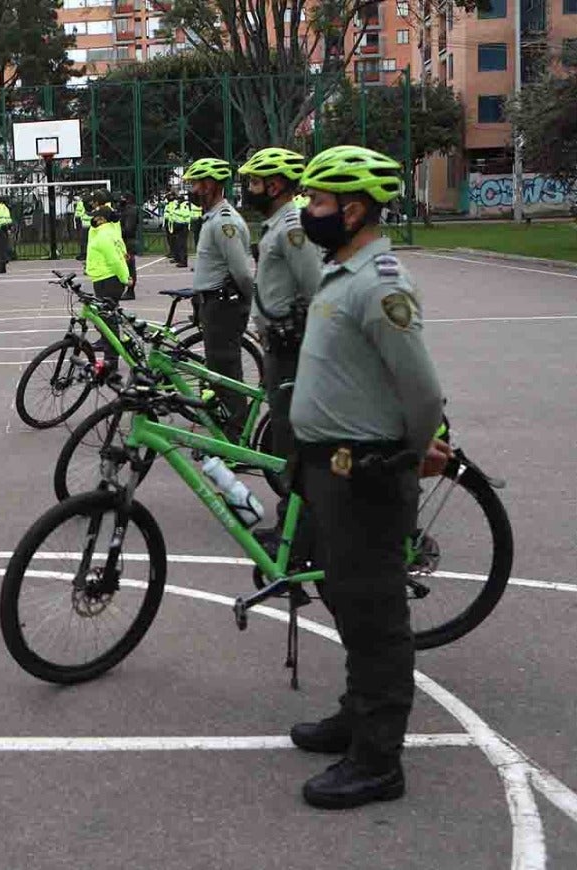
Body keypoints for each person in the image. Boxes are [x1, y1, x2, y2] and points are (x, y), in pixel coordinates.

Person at [288, 145, 446, 810]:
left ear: (353, 209)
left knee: (376, 613)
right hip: (330, 468)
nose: (309, 213)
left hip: (366, 474)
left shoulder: (380, 284)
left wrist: (409, 455)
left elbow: (423, 391)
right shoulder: (343, 272)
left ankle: (379, 760)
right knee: (345, 596)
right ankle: (357, 713)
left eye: (319, 203)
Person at [237, 147, 323, 533]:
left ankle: (299, 525)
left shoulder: (292, 229)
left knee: (291, 436)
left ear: (274, 186)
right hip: (277, 344)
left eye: (255, 182)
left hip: (291, 348)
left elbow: (316, 286)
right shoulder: (277, 225)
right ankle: (297, 516)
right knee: (285, 432)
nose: (249, 189)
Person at [184, 157, 253, 440]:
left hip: (224, 304)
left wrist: (247, 303)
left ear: (211, 185)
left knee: (225, 371)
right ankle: (224, 427)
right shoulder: (212, 219)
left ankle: (236, 435)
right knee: (216, 369)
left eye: (196, 184)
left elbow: (241, 272)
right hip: (212, 302)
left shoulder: (225, 223)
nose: (192, 190)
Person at [85, 204, 130, 368]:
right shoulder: (110, 231)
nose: (93, 219)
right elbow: (123, 253)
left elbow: (114, 259)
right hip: (104, 278)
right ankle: (111, 352)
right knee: (107, 318)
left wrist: (125, 278)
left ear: (102, 219)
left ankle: (112, 358)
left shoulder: (104, 235)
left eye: (95, 217)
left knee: (107, 321)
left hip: (108, 280)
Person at [118, 192, 139, 299]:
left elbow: (129, 229)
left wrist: (118, 231)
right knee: (125, 266)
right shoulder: (126, 210)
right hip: (126, 242)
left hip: (128, 243)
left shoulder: (130, 211)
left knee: (130, 267)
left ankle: (130, 291)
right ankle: (125, 289)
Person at [0, 197, 14, 266]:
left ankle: (2, 261)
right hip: (6, 226)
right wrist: (9, 227)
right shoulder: (5, 207)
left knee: (0, 246)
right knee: (5, 244)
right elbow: (8, 218)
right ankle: (5, 258)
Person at [74, 195, 90, 260]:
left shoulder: (80, 203)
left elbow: (78, 214)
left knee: (84, 240)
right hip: (88, 223)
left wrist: (77, 218)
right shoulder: (93, 202)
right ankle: (84, 253)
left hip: (85, 223)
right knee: (85, 240)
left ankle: (84, 254)